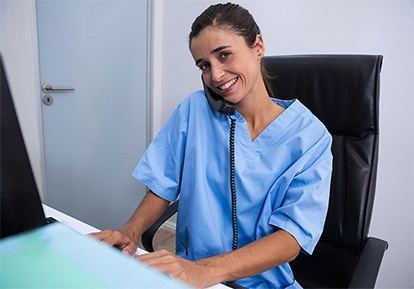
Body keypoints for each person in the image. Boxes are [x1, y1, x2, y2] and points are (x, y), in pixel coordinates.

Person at [91, 3, 333, 288]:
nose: (216, 75)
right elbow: (161, 184)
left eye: (224, 55)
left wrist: (205, 271)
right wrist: (131, 232)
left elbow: (292, 236)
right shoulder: (193, 110)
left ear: (258, 46)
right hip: (190, 276)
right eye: (204, 65)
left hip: (262, 283)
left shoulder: (310, 137)